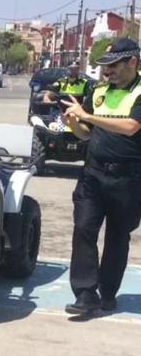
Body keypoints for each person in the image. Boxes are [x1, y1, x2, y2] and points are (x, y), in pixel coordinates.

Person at [60, 38, 141, 316]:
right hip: (92, 174)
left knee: (118, 236)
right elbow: (87, 133)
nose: (108, 72)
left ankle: (107, 292)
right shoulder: (98, 91)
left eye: (114, 65)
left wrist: (88, 117)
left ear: (132, 61)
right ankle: (85, 293)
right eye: (105, 67)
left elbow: (131, 127)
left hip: (128, 178)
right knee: (83, 228)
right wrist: (75, 124)